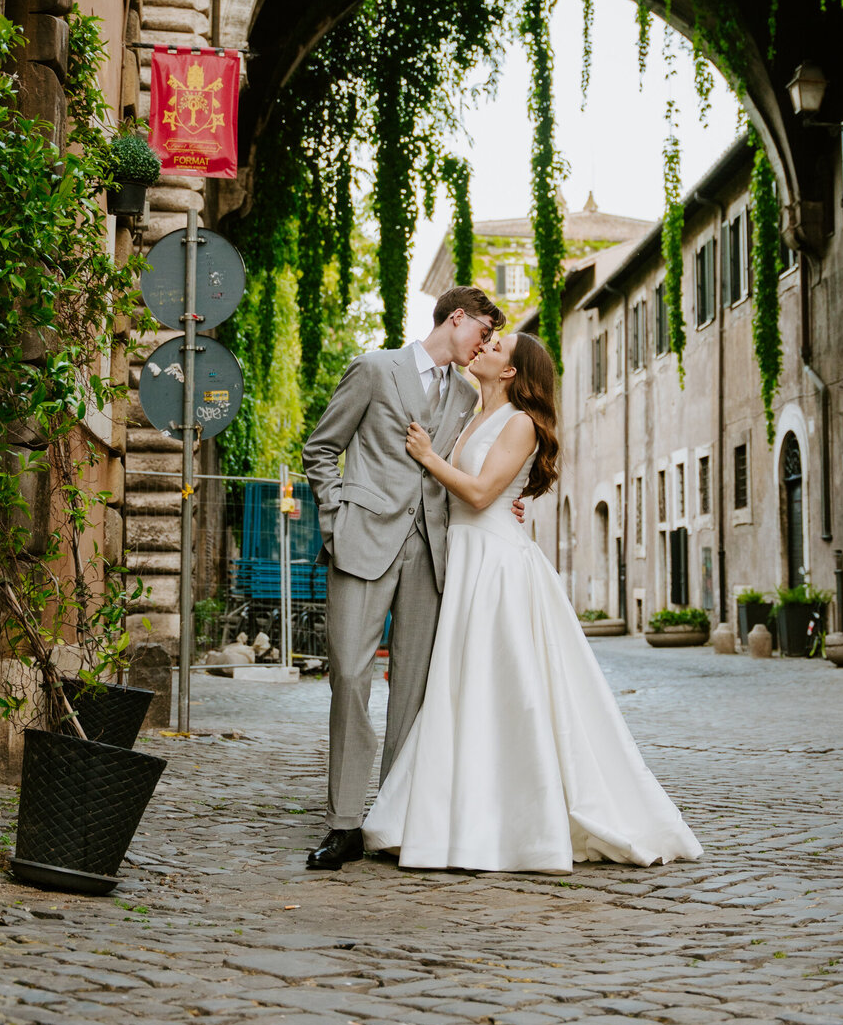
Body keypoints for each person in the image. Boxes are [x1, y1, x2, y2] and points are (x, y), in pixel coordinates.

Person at [363, 331, 703, 872]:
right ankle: (459, 817)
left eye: (497, 347)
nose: (486, 347)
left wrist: (428, 456)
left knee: (501, 688)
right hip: (469, 557)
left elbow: (478, 493)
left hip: (496, 567)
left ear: (513, 372)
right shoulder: (474, 413)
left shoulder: (519, 422)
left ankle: (509, 825)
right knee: (466, 689)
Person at [301, 285, 505, 871]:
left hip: (430, 553)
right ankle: (343, 822)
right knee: (349, 674)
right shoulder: (374, 369)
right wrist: (337, 520)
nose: (483, 345)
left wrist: (502, 504)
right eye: (482, 332)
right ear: (456, 317)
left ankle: (390, 819)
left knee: (413, 690)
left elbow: (470, 469)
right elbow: (322, 448)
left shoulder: (467, 398)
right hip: (363, 541)